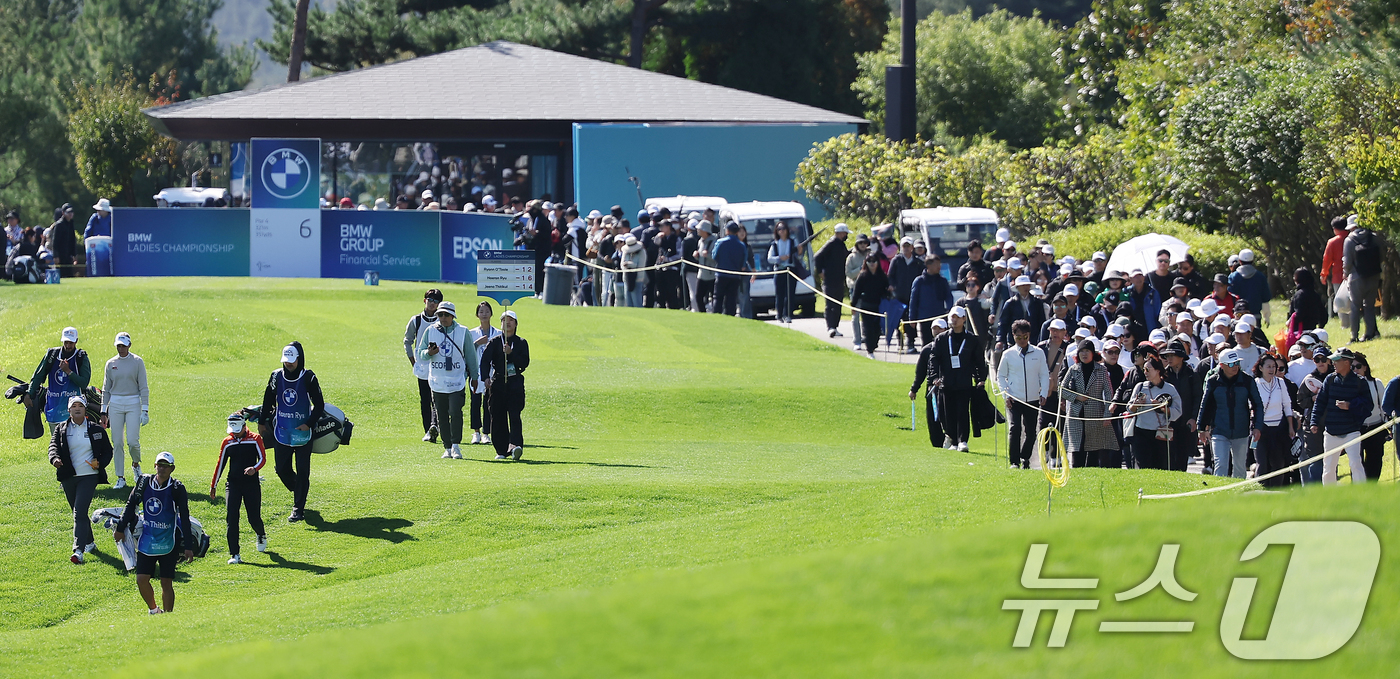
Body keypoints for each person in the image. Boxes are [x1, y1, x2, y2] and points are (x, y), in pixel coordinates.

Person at [114, 452, 193, 615]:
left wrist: (188, 546)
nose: (162, 468)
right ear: (154, 466)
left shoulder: (177, 488)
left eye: (166, 465)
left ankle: (168, 616)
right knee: (141, 580)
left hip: (168, 543)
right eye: (159, 465)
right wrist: (120, 528)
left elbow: (184, 516)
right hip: (147, 542)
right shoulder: (144, 482)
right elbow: (130, 505)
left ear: (172, 468)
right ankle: (154, 610)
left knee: (166, 582)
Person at [259, 342, 324, 522]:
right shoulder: (275, 376)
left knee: (303, 471)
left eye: (292, 361)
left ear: (299, 359)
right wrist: (262, 422)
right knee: (281, 469)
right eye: (286, 360)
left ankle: (298, 509)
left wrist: (309, 424)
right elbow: (268, 399)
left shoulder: (308, 377)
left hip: (303, 434)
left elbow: (319, 405)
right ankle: (300, 490)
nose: (288, 364)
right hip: (282, 432)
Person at [50, 395, 112, 564]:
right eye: (74, 406)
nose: (77, 408)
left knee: (79, 512)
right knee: (80, 513)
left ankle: (78, 550)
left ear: (85, 409)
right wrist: (54, 459)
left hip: (89, 476)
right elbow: (53, 447)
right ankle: (90, 543)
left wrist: (100, 463)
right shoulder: (61, 429)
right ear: (69, 410)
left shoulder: (96, 429)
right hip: (68, 477)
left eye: (80, 406)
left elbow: (108, 451)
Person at [417, 301, 478, 460]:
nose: (443, 318)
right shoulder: (430, 331)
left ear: (453, 316)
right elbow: (421, 354)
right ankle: (447, 447)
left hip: (457, 380)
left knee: (455, 412)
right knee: (441, 415)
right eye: (440, 315)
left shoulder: (463, 332)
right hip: (437, 382)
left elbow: (471, 357)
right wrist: (429, 353)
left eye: (446, 315)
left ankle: (456, 445)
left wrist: (475, 377)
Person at [1198, 348, 1265, 478]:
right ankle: (1220, 496)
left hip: (1241, 431)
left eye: (1236, 363)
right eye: (1230, 364)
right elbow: (1205, 405)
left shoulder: (1247, 380)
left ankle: (1238, 496)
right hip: (1219, 431)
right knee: (1221, 464)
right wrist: (1202, 428)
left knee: (1240, 467)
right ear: (1221, 365)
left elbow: (1257, 404)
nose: (1235, 366)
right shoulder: (1213, 381)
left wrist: (1257, 427)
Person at [1309, 347, 1371, 484]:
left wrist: (1351, 405)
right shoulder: (1330, 380)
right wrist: (1314, 422)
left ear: (1347, 363)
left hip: (1352, 431)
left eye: (1337, 360)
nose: (1333, 363)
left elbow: (1368, 405)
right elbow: (1320, 402)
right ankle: (1329, 497)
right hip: (1331, 431)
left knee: (1356, 464)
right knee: (1329, 467)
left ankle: (1362, 494)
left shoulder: (1360, 382)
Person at [211, 412, 267, 564]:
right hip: (233, 484)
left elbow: (263, 458)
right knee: (232, 518)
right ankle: (234, 554)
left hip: (251, 484)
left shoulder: (255, 439)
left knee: (253, 517)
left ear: (244, 426)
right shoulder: (227, 442)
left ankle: (261, 534)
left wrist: (254, 469)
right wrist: (213, 485)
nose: (235, 433)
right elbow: (220, 464)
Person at [929, 306, 986, 451]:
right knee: (948, 413)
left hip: (964, 381)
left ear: (964, 319)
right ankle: (953, 440)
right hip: (946, 382)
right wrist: (934, 376)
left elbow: (979, 360)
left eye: (957, 317)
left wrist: (981, 378)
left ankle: (963, 440)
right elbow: (934, 358)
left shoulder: (972, 339)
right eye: (952, 317)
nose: (953, 320)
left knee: (962, 411)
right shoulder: (942, 339)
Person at [996, 319, 1049, 468]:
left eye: (1025, 337)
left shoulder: (1038, 353)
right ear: (1013, 336)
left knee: (1031, 431)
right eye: (1018, 337)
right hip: (1014, 398)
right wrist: (1005, 394)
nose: (1022, 340)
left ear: (1029, 335)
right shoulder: (1008, 354)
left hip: (1032, 398)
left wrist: (1043, 392)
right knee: (1015, 428)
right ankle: (1014, 461)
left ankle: (1025, 457)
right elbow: (1000, 376)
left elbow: (1044, 374)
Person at [100, 331, 148, 491]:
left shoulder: (137, 362)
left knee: (133, 441)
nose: (121, 349)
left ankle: (135, 464)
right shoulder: (110, 363)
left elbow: (143, 387)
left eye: (123, 345)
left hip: (133, 402)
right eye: (118, 346)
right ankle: (120, 477)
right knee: (117, 442)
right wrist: (103, 411)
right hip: (115, 404)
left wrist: (145, 409)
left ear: (129, 345)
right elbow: (106, 389)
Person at [26, 326, 92, 436]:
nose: (68, 345)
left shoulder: (81, 357)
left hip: (73, 409)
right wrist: (29, 393)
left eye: (71, 342)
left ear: (76, 341)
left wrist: (68, 371)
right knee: (57, 444)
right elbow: (39, 375)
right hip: (54, 408)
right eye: (66, 342)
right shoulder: (52, 355)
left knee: (73, 443)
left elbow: (84, 383)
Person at [482, 310, 529, 461]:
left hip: (515, 382)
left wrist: (511, 353)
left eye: (510, 320)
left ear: (515, 324)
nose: (507, 323)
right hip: (498, 383)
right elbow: (484, 361)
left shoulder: (521, 343)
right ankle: (501, 450)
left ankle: (515, 446)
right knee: (497, 417)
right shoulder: (495, 342)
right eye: (504, 320)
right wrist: (485, 378)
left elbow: (524, 363)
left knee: (515, 415)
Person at [1061, 339, 1116, 468]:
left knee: (1093, 453)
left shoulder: (1101, 370)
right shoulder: (1073, 369)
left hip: (1095, 415)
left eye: (1087, 351)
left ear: (1093, 353)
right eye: (1082, 351)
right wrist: (1076, 397)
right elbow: (1062, 389)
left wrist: (1107, 415)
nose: (1084, 354)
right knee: (1076, 451)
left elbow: (1109, 393)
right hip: (1076, 415)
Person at [1127, 355, 1183, 470]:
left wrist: (1163, 408)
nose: (1145, 372)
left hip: (1160, 434)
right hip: (1141, 432)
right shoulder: (1140, 386)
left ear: (1158, 370)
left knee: (1160, 467)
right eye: (1144, 370)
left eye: (1148, 369)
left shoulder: (1170, 388)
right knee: (1143, 466)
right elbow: (1129, 409)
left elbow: (1178, 411)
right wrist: (1136, 404)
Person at [1252, 353, 1297, 487]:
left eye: (1274, 367)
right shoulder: (1255, 384)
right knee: (1262, 463)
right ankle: (1261, 491)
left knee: (1278, 463)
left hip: (1278, 429)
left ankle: (1276, 492)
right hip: (1260, 429)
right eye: (1268, 367)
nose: (1272, 370)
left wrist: (1290, 426)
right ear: (1261, 368)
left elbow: (1287, 405)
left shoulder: (1280, 383)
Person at [404, 289, 443, 443]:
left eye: (436, 301)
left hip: (438, 365)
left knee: (437, 399)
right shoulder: (416, 320)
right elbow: (407, 341)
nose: (432, 303)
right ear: (424, 300)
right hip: (422, 366)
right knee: (425, 399)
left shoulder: (442, 319)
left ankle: (435, 426)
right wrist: (413, 362)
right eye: (430, 299)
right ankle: (428, 430)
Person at [1343, 215, 1384, 342]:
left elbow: (1348, 262)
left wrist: (1346, 272)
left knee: (1355, 306)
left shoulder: (1349, 240)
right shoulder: (1374, 238)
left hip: (1356, 277)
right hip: (1373, 276)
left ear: (1352, 227)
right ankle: (1369, 333)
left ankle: (1354, 335)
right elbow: (1381, 256)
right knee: (1370, 306)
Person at [469, 301, 502, 446]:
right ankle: (476, 432)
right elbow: (467, 352)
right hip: (476, 372)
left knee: (489, 403)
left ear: (491, 314)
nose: (484, 314)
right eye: (481, 311)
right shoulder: (471, 333)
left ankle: (486, 433)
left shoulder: (498, 334)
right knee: (475, 402)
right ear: (477, 314)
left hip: (492, 373)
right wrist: (477, 343)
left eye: (486, 311)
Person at [1352, 352, 1387, 482]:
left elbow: (1383, 406)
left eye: (1358, 366)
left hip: (1376, 426)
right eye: (1352, 367)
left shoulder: (1376, 383)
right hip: (1357, 428)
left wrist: (1386, 425)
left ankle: (1372, 489)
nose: (1355, 370)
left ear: (1365, 367)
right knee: (1356, 463)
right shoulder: (1349, 385)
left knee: (1375, 461)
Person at [908, 254, 954, 348]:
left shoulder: (942, 281)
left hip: (940, 316)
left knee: (941, 343)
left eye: (939, 264)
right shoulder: (919, 281)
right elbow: (913, 301)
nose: (939, 266)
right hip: (925, 318)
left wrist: (949, 310)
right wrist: (912, 318)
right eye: (936, 264)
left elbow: (949, 297)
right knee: (927, 344)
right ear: (928, 265)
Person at [813, 223, 850, 338]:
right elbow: (817, 256)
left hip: (839, 279)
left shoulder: (841, 245)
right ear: (840, 233)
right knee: (830, 304)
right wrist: (820, 272)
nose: (846, 235)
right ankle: (830, 327)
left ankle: (835, 326)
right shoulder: (832, 243)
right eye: (845, 233)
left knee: (838, 303)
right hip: (830, 279)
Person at [887, 237, 923, 352]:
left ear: (912, 248)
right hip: (899, 296)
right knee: (899, 320)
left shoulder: (918, 262)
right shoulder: (896, 260)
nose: (906, 248)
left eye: (908, 246)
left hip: (913, 296)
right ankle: (900, 341)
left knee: (911, 320)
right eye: (904, 246)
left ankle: (911, 343)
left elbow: (922, 277)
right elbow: (890, 276)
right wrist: (892, 286)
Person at [852, 254, 889, 359]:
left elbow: (886, 291)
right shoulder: (863, 276)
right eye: (869, 261)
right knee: (868, 328)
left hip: (878, 306)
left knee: (877, 329)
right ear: (866, 263)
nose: (872, 263)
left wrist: (889, 290)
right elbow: (857, 292)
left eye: (874, 261)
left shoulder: (882, 276)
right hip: (866, 306)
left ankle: (874, 345)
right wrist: (853, 306)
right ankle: (869, 350)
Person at [767, 221, 801, 323]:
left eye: (783, 229)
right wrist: (779, 258)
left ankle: (788, 315)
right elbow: (769, 258)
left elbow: (798, 257)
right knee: (779, 294)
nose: (781, 231)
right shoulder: (774, 244)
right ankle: (779, 314)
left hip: (790, 269)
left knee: (790, 294)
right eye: (779, 229)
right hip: (779, 270)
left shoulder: (793, 241)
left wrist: (799, 251)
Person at [1228, 249, 1271, 318]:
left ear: (1239, 261)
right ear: (1253, 261)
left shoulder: (1233, 276)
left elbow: (1230, 296)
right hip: (1255, 314)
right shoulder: (1260, 276)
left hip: (1238, 314)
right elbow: (1266, 297)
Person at [1321, 216, 1349, 323]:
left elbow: (1327, 259)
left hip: (1338, 275)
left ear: (1335, 228)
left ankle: (1345, 324)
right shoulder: (1352, 238)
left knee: (1341, 301)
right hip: (1354, 274)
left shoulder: (1332, 242)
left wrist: (1324, 274)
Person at [845, 234, 871, 348]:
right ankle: (857, 341)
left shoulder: (871, 255)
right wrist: (861, 268)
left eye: (864, 243)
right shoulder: (851, 257)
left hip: (868, 290)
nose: (862, 245)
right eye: (860, 243)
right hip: (855, 289)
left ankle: (868, 338)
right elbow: (849, 273)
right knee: (855, 316)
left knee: (868, 316)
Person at [1288, 268, 1326, 333]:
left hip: (1298, 332)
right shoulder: (1315, 295)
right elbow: (1324, 315)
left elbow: (1299, 315)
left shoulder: (1299, 295)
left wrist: (1290, 322)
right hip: (1312, 330)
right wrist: (1320, 327)